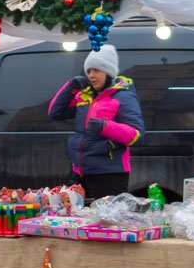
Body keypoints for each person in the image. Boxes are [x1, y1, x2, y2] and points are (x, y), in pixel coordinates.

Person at [47, 44, 144, 200]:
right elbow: (55, 112)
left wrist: (105, 126)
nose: (91, 75)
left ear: (109, 72)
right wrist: (71, 86)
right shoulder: (85, 96)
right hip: (80, 173)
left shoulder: (123, 96)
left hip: (109, 174)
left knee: (105, 221)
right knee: (80, 219)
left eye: (97, 70)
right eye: (89, 71)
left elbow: (137, 135)